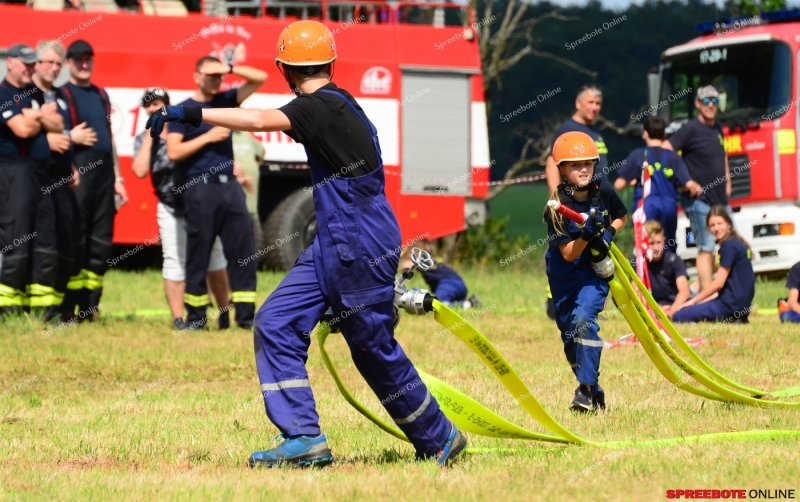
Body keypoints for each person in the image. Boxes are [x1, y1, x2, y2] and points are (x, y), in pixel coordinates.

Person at [146, 20, 467, 468]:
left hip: (357, 238)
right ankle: (302, 436)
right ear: (330, 63)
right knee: (275, 321)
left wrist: (188, 112)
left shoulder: (318, 107)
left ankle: (438, 436)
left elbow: (256, 119)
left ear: (285, 69)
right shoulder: (338, 102)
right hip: (336, 237)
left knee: (370, 344)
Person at [165, 56, 266, 330]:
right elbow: (173, 151)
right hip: (199, 187)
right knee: (199, 254)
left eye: (220, 76)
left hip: (230, 187)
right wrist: (208, 137)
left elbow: (260, 78)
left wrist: (228, 67)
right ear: (196, 76)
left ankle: (245, 319)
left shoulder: (225, 102)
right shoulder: (182, 110)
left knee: (243, 250)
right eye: (210, 75)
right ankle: (196, 318)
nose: (216, 80)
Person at [131, 88, 232, 330]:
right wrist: (151, 135)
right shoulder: (143, 139)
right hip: (169, 206)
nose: (153, 108)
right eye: (148, 105)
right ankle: (178, 319)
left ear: (167, 105)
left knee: (215, 258)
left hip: (200, 202)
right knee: (174, 260)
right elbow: (139, 170)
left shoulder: (184, 128)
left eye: (158, 103)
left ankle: (225, 315)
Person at [544, 131, 628, 413]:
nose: (583, 169)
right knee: (570, 338)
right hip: (563, 277)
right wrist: (585, 235)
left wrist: (608, 234)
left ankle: (583, 390)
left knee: (583, 320)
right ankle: (593, 390)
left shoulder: (604, 191)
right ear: (562, 169)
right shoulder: (556, 207)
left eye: (588, 164)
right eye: (575, 165)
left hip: (592, 274)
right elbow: (568, 254)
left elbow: (621, 216)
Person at [60, 39, 129, 321]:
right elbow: (52, 136)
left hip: (104, 175)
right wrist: (70, 142)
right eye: (78, 59)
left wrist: (118, 177)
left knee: (101, 241)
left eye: (88, 58)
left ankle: (90, 306)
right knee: (76, 239)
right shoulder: (62, 94)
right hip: (79, 174)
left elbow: (109, 139)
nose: (84, 64)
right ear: (68, 63)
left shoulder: (102, 94)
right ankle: (67, 307)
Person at [0, 44, 64, 316]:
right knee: (16, 238)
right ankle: (7, 309)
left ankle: (42, 309)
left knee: (45, 238)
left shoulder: (34, 94)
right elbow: (22, 130)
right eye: (25, 63)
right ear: (10, 62)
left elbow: (58, 124)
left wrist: (34, 115)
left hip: (40, 173)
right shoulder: (3, 93)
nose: (29, 68)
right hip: (13, 173)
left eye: (31, 64)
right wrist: (41, 116)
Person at [544, 85, 609, 319]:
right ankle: (557, 302)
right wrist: (559, 200)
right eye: (590, 102)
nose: (594, 108)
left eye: (598, 103)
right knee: (566, 251)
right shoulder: (569, 130)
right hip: (574, 206)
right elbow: (552, 164)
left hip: (594, 203)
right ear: (578, 103)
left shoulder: (594, 131)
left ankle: (588, 302)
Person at [663, 85, 734, 292]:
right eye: (706, 100)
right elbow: (666, 151)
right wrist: (686, 182)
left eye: (714, 100)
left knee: (733, 243)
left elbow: (723, 156)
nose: (710, 104)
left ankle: (697, 289)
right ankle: (707, 298)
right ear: (697, 103)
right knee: (706, 248)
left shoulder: (717, 128)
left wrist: (728, 181)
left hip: (720, 201)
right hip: (699, 201)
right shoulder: (690, 128)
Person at [31, 40, 81, 321]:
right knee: (44, 244)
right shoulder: (26, 94)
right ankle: (42, 312)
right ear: (36, 64)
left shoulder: (61, 96)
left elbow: (65, 135)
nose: (53, 68)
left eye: (58, 64)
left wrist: (72, 164)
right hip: (37, 178)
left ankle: (61, 308)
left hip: (62, 179)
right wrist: (45, 141)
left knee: (66, 242)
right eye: (48, 62)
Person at [614, 116, 702, 253]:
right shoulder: (673, 156)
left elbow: (619, 184)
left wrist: (634, 181)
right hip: (669, 206)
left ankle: (646, 267)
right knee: (668, 245)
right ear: (664, 134)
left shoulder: (638, 155)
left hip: (646, 206)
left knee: (645, 246)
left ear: (645, 133)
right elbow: (688, 184)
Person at [672, 206, 754, 323]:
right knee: (696, 306)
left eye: (720, 223)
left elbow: (718, 284)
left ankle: (728, 319)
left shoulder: (728, 246)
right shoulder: (737, 243)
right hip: (741, 307)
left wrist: (693, 301)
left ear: (729, 224)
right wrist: (700, 302)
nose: (716, 228)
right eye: (712, 225)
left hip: (728, 307)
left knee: (678, 315)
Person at [400, 241, 479, 309]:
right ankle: (465, 303)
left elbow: (407, 265)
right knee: (443, 302)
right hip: (460, 285)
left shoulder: (423, 258)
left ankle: (468, 304)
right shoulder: (432, 260)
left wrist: (402, 285)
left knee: (437, 304)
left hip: (449, 283)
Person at [643, 220, 690, 319]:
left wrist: (672, 311)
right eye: (651, 243)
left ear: (664, 240)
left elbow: (684, 291)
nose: (656, 248)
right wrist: (658, 310)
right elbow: (637, 293)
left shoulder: (674, 260)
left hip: (673, 305)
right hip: (650, 307)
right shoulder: (639, 263)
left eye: (658, 242)